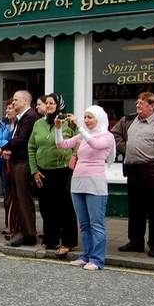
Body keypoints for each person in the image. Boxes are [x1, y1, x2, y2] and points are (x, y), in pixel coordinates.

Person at [112, 92, 154, 258]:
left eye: (141, 104)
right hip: (133, 170)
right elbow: (114, 135)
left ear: (152, 105)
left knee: (153, 211)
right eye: (137, 103)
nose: (137, 106)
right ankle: (135, 242)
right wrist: (126, 148)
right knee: (135, 209)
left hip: (153, 170)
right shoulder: (128, 120)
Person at [55, 106, 116, 271]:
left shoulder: (107, 136)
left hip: (95, 184)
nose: (87, 120)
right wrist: (58, 128)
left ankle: (97, 259)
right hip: (78, 182)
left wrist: (80, 128)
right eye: (85, 117)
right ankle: (86, 256)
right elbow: (61, 144)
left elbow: (95, 144)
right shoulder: (83, 136)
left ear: (99, 119)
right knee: (84, 224)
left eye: (90, 117)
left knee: (96, 224)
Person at [28, 93, 77, 256]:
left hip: (64, 171)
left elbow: (80, 141)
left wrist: (75, 157)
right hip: (43, 171)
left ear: (59, 105)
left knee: (65, 207)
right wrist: (34, 170)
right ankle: (51, 239)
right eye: (46, 103)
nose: (48, 105)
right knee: (46, 207)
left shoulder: (69, 122)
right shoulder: (38, 124)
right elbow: (32, 147)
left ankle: (68, 241)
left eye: (52, 103)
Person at [0, 90, 40, 246]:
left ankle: (29, 235)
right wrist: (10, 151)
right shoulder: (20, 118)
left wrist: (3, 148)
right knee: (17, 199)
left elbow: (21, 139)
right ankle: (21, 232)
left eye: (16, 100)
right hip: (17, 161)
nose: (13, 102)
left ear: (25, 101)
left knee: (23, 200)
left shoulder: (30, 117)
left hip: (24, 164)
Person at [0, 100, 16, 233]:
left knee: (16, 193)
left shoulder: (19, 124)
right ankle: (8, 224)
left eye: (10, 108)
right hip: (4, 162)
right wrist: (7, 144)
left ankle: (16, 224)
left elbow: (19, 140)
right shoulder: (3, 124)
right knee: (7, 193)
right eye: (6, 108)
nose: (7, 111)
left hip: (16, 162)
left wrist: (4, 146)